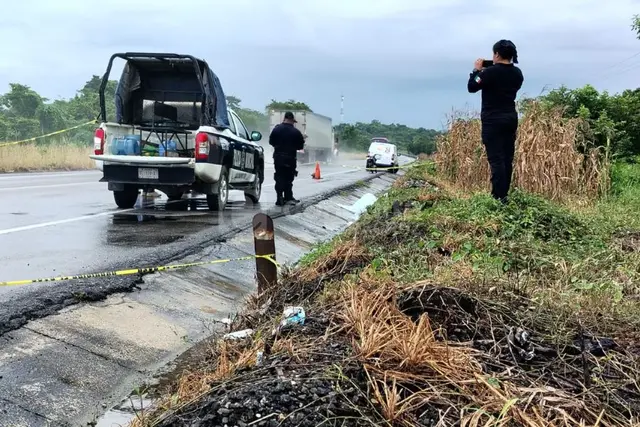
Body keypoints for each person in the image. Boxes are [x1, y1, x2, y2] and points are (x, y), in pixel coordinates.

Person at [467, 39, 524, 204]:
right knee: (507, 158)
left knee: (496, 159)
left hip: (492, 120)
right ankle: (504, 195)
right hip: (510, 118)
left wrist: (476, 70)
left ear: (497, 54)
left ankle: (498, 197)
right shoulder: (517, 73)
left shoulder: (489, 72)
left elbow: (472, 86)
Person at [269, 111, 305, 206]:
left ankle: (279, 197)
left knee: (279, 177)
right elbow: (300, 146)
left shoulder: (276, 129)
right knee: (288, 178)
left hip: (278, 157)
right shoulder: (296, 132)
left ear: (284, 118)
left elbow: (271, 142)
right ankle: (288, 197)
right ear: (292, 120)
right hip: (290, 158)